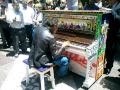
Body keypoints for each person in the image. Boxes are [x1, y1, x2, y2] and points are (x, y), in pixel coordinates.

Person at [104, 0, 120, 74]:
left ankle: (110, 67)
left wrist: (112, 12)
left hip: (117, 32)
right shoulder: (110, 5)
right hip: (109, 32)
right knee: (109, 50)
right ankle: (107, 66)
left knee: (115, 51)